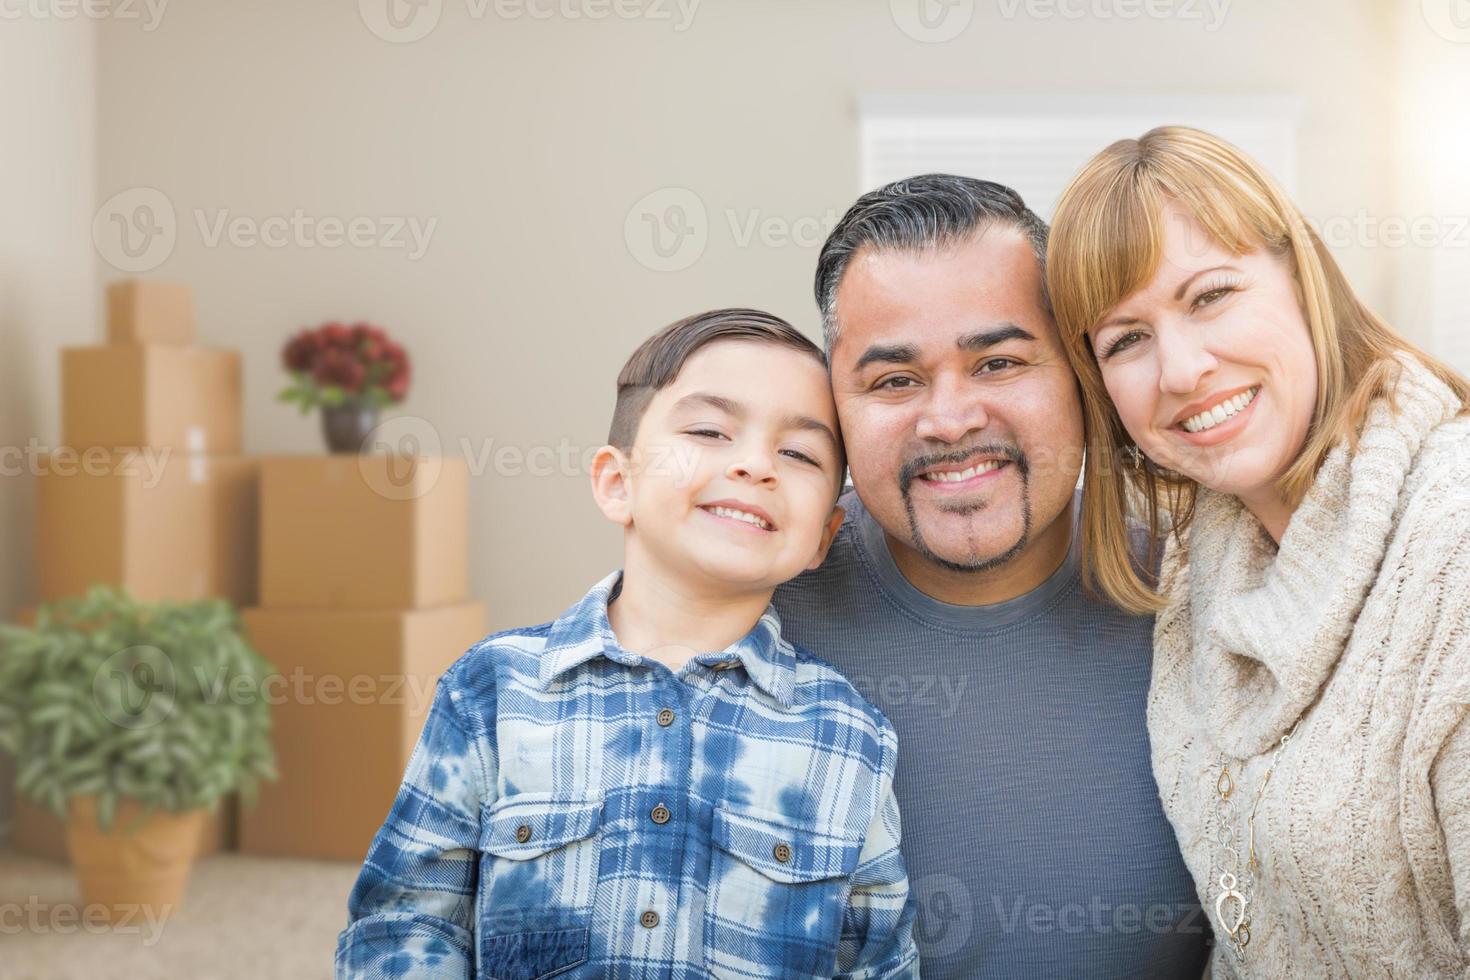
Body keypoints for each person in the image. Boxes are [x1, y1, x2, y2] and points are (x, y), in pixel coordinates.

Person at [335, 309, 920, 980]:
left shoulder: (848, 734)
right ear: (618, 483)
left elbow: (877, 961)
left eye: (799, 453)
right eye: (709, 431)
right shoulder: (493, 691)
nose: (756, 464)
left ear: (822, 535)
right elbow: (405, 921)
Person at [1046, 125, 1470, 976]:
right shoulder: (1199, 570)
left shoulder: (1450, 548)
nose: (1181, 368)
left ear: (1302, 274)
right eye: (1125, 338)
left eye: (1210, 296)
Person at [772, 175, 1210, 978]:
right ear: (833, 403)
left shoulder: (1204, 602)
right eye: (895, 380)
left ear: (1080, 376)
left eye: (999, 362)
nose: (950, 419)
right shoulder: (750, 621)